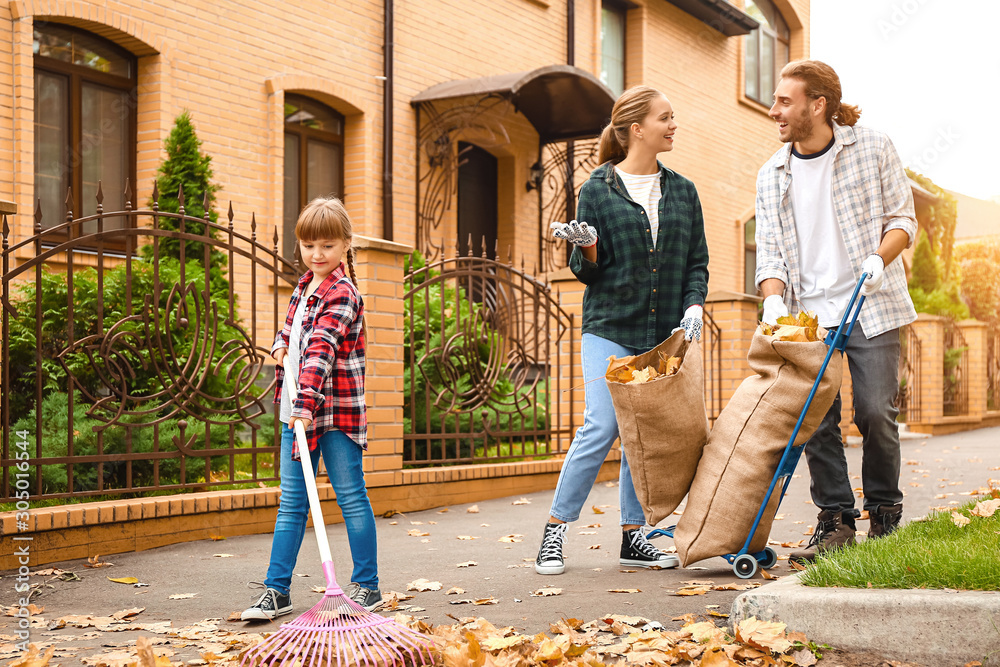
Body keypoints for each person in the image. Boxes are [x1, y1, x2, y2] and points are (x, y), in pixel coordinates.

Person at [536, 85, 710, 575]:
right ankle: (555, 529)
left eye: (673, 117)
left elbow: (697, 261)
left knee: (645, 430)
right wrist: (587, 247)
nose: (673, 125)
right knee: (603, 424)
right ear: (637, 129)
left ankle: (635, 537)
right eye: (665, 118)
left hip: (663, 331)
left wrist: (694, 306)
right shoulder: (598, 189)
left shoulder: (683, 190)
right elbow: (587, 271)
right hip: (609, 324)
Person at [754, 60, 916, 562]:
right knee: (818, 419)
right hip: (808, 315)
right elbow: (769, 253)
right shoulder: (772, 173)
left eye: (785, 101)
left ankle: (885, 515)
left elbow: (903, 219)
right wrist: (774, 298)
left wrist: (876, 259)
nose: (774, 110)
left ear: (817, 104)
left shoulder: (872, 147)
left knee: (874, 413)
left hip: (871, 302)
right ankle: (836, 520)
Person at [241, 197, 380, 619]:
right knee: (292, 503)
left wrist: (304, 405)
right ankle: (276, 591)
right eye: (308, 246)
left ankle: (368, 586)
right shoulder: (303, 286)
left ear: (346, 245)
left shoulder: (342, 293)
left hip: (333, 414)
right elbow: (292, 331)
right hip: (295, 412)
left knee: (351, 496)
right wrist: (280, 345)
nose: (317, 255)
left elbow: (320, 352)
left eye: (327, 246)